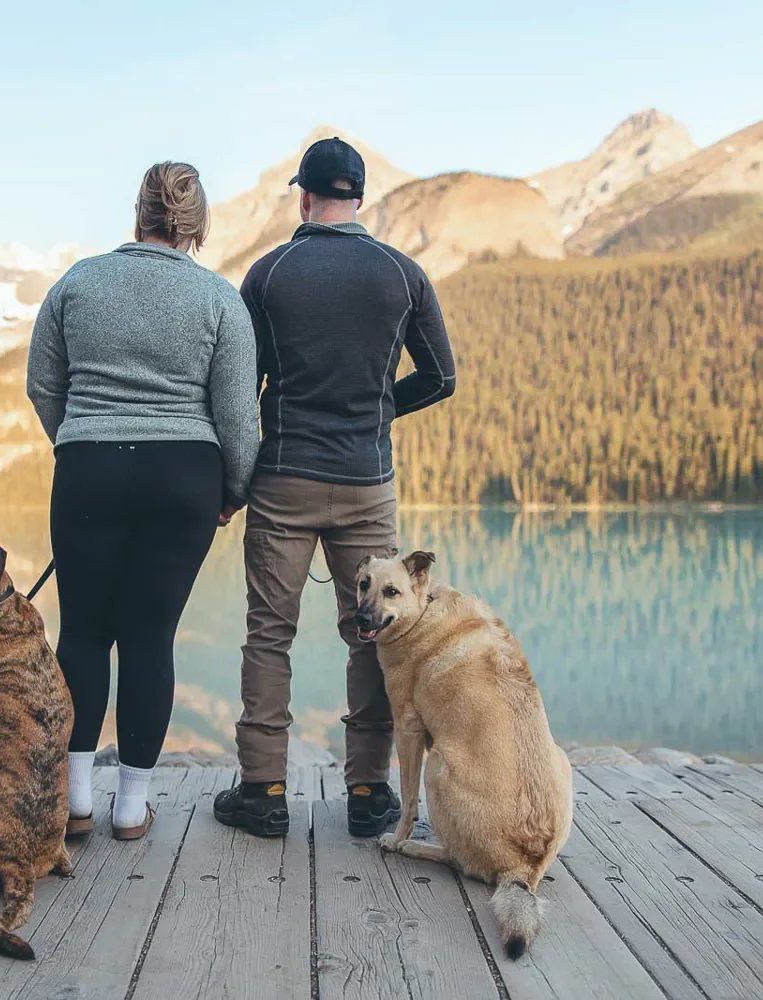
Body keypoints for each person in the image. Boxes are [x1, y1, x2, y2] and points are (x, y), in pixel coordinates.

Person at [213, 137, 456, 838]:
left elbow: (241, 388)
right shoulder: (403, 274)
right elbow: (441, 377)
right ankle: (368, 793)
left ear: (304, 197)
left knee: (269, 634)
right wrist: (378, 410)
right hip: (366, 484)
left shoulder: (268, 273)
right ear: (360, 198)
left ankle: (263, 791)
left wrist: (231, 480)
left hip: (283, 479)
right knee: (372, 634)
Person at [26, 161, 259, 841]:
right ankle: (131, 808)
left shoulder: (76, 283)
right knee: (150, 637)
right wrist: (233, 489)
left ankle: (74, 803)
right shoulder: (219, 300)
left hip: (89, 469)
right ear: (197, 225)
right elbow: (237, 415)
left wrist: (78, 441)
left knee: (83, 633)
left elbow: (43, 385)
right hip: (183, 476)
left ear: (138, 212)